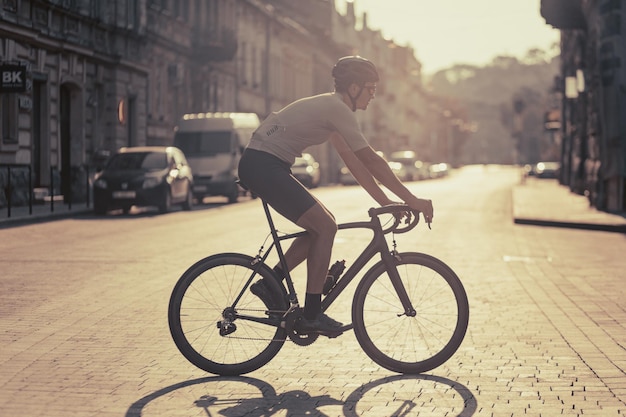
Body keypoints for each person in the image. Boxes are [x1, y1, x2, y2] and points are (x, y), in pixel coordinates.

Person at [237, 56, 434, 337]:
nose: (373, 95)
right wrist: (412, 199)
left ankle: (271, 282)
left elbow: (356, 164)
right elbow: (373, 160)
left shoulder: (333, 111)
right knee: (326, 227)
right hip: (263, 164)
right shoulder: (337, 108)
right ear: (353, 88)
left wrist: (386, 203)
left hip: (267, 164)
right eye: (370, 88)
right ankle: (311, 313)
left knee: (322, 225)